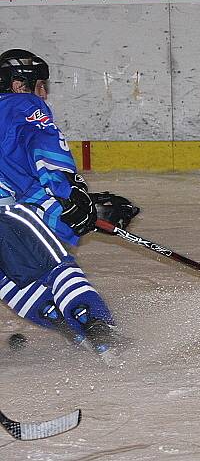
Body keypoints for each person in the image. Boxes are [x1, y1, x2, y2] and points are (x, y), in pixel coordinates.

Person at [0, 49, 138, 360]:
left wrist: (57, 212)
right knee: (55, 269)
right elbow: (44, 145)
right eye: (39, 85)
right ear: (20, 86)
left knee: (13, 278)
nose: (43, 93)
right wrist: (72, 192)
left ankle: (75, 332)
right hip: (4, 213)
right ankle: (104, 337)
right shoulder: (23, 104)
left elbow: (16, 176)